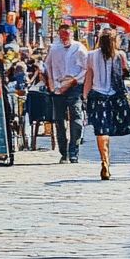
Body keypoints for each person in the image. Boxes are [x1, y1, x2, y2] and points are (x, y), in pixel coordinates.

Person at [83, 28, 130, 180]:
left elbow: (88, 77)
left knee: (101, 130)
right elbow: (125, 72)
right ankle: (106, 160)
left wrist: (85, 97)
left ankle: (105, 160)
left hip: (97, 96)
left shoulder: (90, 56)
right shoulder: (120, 55)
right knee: (111, 129)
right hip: (115, 97)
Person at [44, 23, 89, 164]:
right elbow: (47, 66)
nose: (65, 37)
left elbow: (86, 69)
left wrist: (75, 80)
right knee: (59, 120)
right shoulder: (54, 49)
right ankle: (63, 152)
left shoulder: (79, 48)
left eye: (67, 33)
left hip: (74, 85)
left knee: (75, 116)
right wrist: (52, 84)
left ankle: (73, 151)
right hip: (58, 86)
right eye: (62, 34)